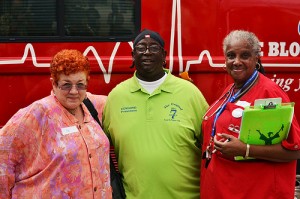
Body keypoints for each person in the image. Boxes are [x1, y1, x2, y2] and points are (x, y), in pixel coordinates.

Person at [102, 29, 208, 199]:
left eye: (154, 48)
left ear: (164, 55)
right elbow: (101, 149)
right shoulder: (117, 96)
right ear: (133, 55)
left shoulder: (190, 93)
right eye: (141, 48)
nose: (147, 52)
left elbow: (209, 147)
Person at [200, 30, 300, 199]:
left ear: (256, 58)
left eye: (244, 55)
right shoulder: (231, 90)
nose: (236, 62)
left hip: (254, 192)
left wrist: (245, 149)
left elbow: (294, 151)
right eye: (231, 56)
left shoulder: (269, 93)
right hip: (225, 189)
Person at [0, 49, 111, 198]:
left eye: (80, 85)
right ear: (54, 83)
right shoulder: (38, 112)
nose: (74, 91)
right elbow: (3, 155)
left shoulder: (93, 106)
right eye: (66, 85)